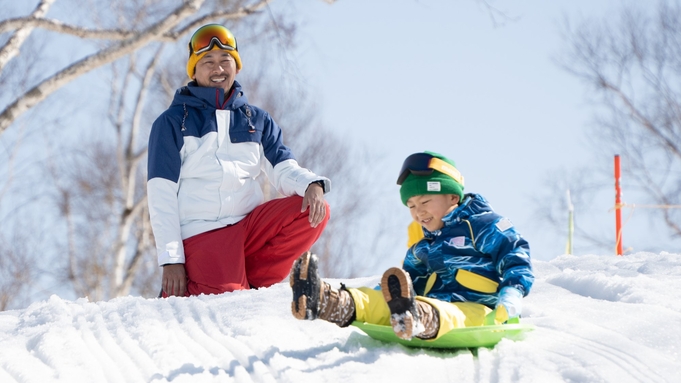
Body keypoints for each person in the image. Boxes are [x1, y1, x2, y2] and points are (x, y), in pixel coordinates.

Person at [147, 24, 330, 297]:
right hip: (203, 232)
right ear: (194, 71)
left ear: (237, 66)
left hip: (248, 227)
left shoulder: (255, 120)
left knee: (314, 212)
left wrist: (311, 185)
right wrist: (172, 259)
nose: (218, 68)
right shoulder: (173, 122)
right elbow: (160, 195)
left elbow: (282, 166)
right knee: (229, 299)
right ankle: (224, 281)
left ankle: (252, 278)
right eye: (207, 62)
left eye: (225, 60)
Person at [289, 151, 533, 341]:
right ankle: (328, 301)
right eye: (412, 206)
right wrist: (379, 295)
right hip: (419, 305)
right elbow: (405, 284)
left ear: (452, 197)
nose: (419, 212)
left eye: (425, 201)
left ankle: (416, 317)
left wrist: (512, 292)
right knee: (379, 302)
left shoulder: (484, 225)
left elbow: (515, 254)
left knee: (449, 314)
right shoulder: (422, 247)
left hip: (481, 310)